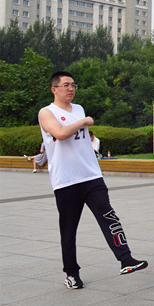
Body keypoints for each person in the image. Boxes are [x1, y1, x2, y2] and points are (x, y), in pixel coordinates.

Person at [38, 71, 148, 289]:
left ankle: (126, 259)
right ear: (54, 89)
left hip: (91, 176)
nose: (71, 89)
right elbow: (59, 134)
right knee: (69, 230)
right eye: (66, 85)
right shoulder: (46, 112)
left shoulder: (78, 109)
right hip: (66, 180)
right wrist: (83, 122)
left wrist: (81, 120)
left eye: (73, 85)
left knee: (109, 217)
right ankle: (71, 273)